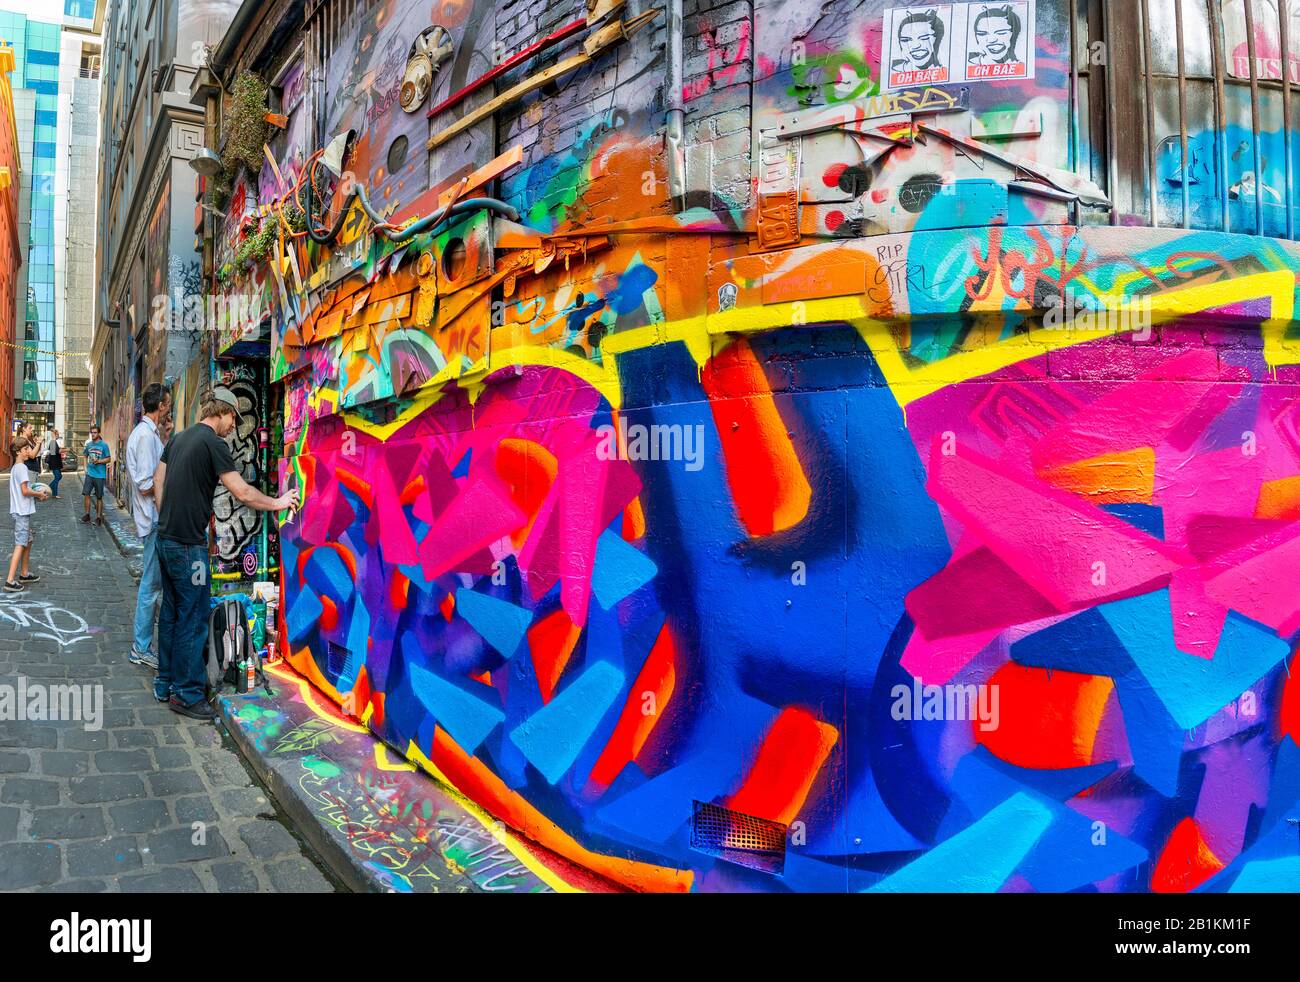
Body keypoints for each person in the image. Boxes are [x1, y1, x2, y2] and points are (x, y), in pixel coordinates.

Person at [152, 387, 298, 721]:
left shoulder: (178, 439)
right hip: (189, 549)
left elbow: (158, 479)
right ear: (223, 411)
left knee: (173, 614)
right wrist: (279, 503)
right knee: (194, 614)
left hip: (166, 541)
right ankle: (187, 695)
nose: (234, 426)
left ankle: (165, 683)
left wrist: (167, 516)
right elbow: (242, 491)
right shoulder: (213, 443)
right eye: (234, 417)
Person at [127, 383, 172, 670]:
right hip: (154, 520)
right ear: (162, 405)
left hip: (155, 519)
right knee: (151, 586)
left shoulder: (151, 435)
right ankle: (141, 647)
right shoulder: (144, 436)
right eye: (168, 403)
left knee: (155, 584)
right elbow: (146, 483)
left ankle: (147, 643)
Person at [7, 436, 49, 592]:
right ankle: (10, 580)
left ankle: (24, 573)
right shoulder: (22, 468)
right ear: (18, 452)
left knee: (28, 540)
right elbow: (25, 491)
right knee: (20, 543)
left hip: (20, 511)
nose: (29, 451)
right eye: (26, 449)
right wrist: (40, 494)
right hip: (22, 512)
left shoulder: (16, 468)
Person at [892, 8, 945, 74]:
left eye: (924, 38)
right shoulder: (892, 68)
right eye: (906, 40)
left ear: (938, 39)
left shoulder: (950, 71)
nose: (915, 45)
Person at [80, 425, 112, 526]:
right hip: (90, 474)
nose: (93, 434)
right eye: (92, 433)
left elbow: (109, 459)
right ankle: (87, 515)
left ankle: (98, 518)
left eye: (95, 433)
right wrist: (85, 468)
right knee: (86, 494)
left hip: (100, 475)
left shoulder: (104, 445)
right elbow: (85, 456)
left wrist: (99, 461)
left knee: (99, 497)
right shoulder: (89, 445)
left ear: (98, 433)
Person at [43, 428, 63, 498]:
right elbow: (55, 452)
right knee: (57, 477)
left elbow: (55, 451)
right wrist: (66, 450)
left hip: (56, 463)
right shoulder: (52, 442)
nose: (58, 435)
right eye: (57, 434)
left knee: (59, 476)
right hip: (55, 464)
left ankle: (49, 489)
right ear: (54, 434)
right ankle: (51, 491)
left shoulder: (54, 442)